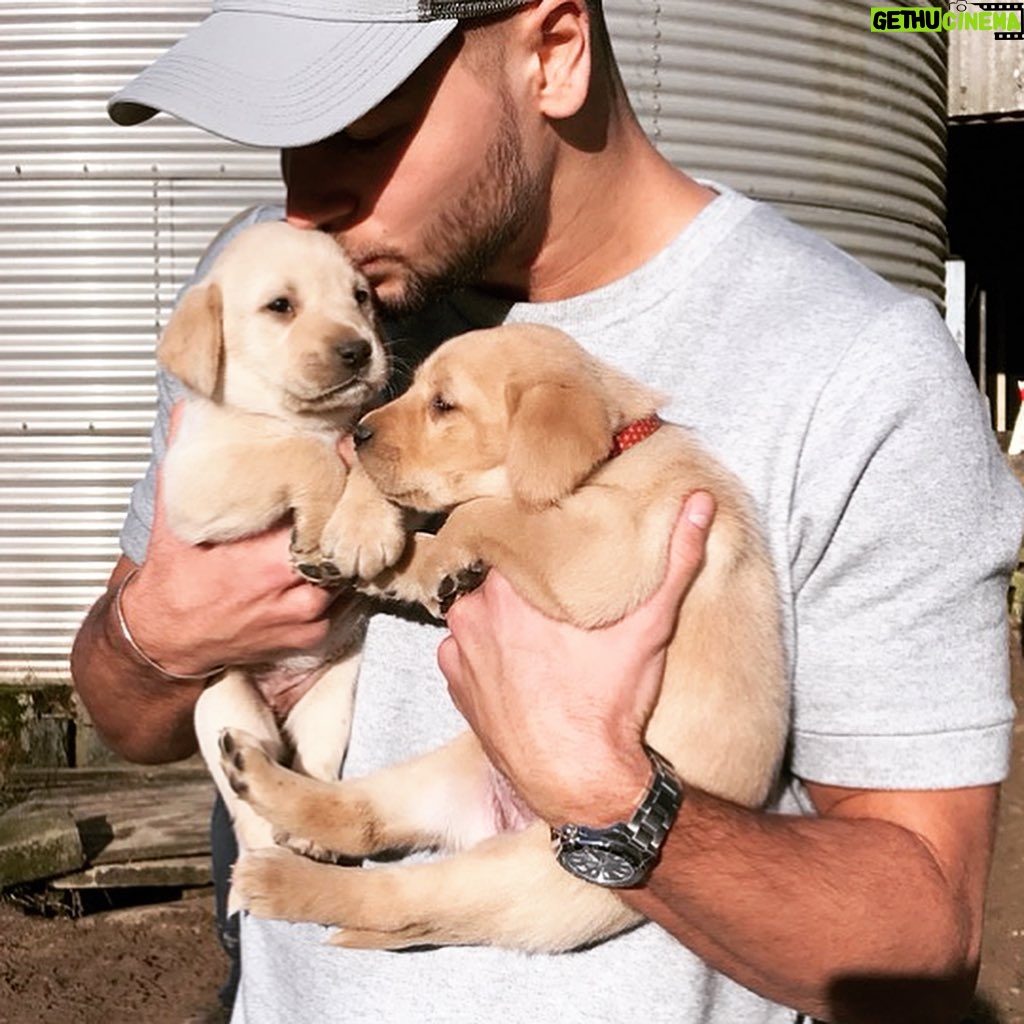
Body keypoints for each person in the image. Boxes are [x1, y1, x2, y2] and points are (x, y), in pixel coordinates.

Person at [71, 2, 1024, 1022]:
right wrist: (153, 638)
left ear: (555, 51)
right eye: (282, 135)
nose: (305, 201)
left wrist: (610, 793)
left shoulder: (856, 371)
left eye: (362, 129)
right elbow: (125, 711)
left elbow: (921, 945)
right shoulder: (278, 280)